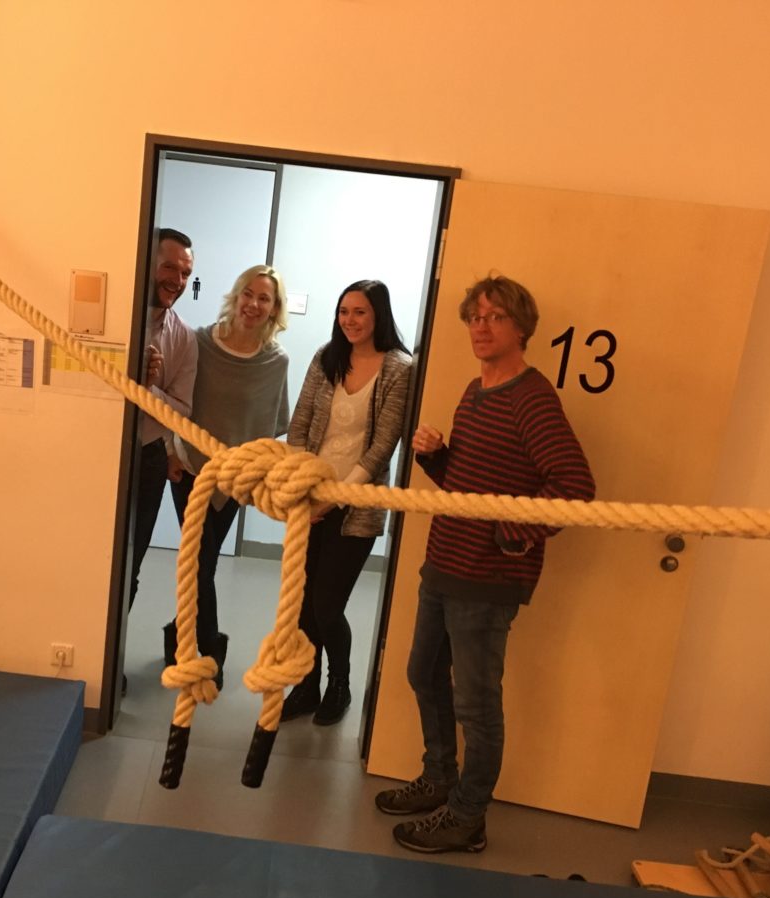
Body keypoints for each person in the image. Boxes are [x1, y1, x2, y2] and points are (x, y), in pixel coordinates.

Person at [374, 274, 595, 854]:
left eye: (495, 317)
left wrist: (510, 533)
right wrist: (436, 459)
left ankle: (468, 816)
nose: (481, 326)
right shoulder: (475, 391)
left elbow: (574, 486)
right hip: (443, 564)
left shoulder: (532, 397)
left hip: (487, 578)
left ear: (521, 328)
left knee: (475, 705)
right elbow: (466, 484)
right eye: (475, 316)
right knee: (424, 674)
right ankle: (439, 780)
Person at [280, 280, 413, 726]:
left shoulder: (399, 369)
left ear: (378, 315)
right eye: (343, 312)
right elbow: (300, 424)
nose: (349, 321)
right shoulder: (326, 357)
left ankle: (340, 684)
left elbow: (382, 447)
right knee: (301, 604)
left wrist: (333, 501)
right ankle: (306, 686)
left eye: (359, 312)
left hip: (355, 507)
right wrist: (303, 488)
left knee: (327, 605)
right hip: (308, 499)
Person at [163, 265, 291, 689]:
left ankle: (177, 632)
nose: (253, 304)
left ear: (274, 308)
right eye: (248, 294)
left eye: (264, 299)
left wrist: (257, 478)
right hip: (190, 469)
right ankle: (210, 647)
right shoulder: (199, 343)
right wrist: (170, 451)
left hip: (236, 480)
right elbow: (176, 404)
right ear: (236, 295)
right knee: (199, 563)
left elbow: (269, 425)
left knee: (203, 563)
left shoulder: (275, 361)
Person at [123, 230, 197, 697]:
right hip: (102, 455)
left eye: (186, 273)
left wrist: (147, 387)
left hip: (148, 458)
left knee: (129, 562)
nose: (178, 280)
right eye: (170, 267)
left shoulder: (183, 338)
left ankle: (108, 653)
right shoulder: (117, 319)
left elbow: (181, 412)